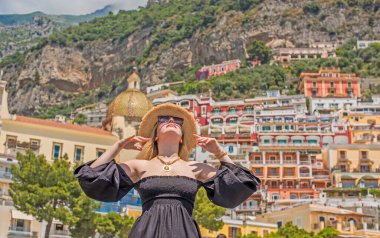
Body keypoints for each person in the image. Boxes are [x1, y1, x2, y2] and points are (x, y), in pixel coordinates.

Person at [74, 103, 261, 238]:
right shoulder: (140, 166)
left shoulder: (195, 168)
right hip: (146, 232)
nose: (171, 120)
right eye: (164, 119)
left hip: (184, 231)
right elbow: (91, 177)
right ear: (155, 136)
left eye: (177, 121)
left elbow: (242, 184)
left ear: (181, 138)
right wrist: (118, 146)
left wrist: (220, 153)